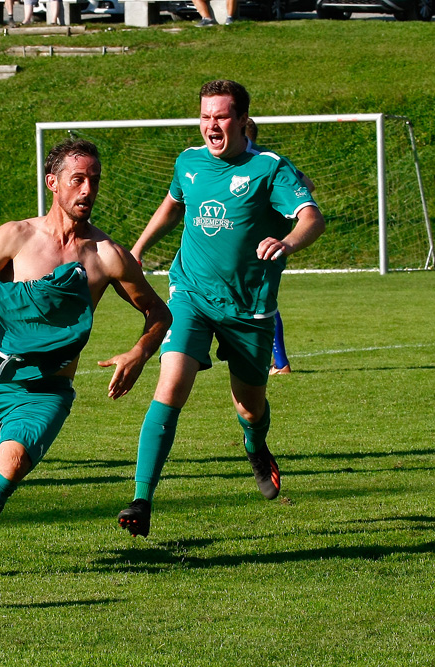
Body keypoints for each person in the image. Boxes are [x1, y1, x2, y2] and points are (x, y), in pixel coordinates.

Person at [0, 139, 171, 583]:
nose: (88, 190)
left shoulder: (107, 256)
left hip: (48, 391)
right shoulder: (17, 235)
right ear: (53, 183)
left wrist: (139, 352)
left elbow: (159, 313)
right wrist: (19, 302)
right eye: (78, 180)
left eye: (94, 181)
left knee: (9, 467)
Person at [117, 79, 326, 538]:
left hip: (248, 310)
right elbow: (173, 205)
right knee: (170, 387)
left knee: (250, 408)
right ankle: (141, 498)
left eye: (222, 116)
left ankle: (255, 446)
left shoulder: (270, 169)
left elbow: (312, 216)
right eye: (206, 115)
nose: (212, 124)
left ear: (242, 121)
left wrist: (288, 241)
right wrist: (137, 249)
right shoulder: (188, 161)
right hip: (190, 295)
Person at [244, 118, 316, 376]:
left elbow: (306, 187)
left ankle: (280, 363)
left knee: (261, 300)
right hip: (257, 241)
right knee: (257, 300)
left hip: (262, 242)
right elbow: (308, 183)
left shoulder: (266, 161)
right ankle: (275, 362)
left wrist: (275, 209)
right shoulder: (267, 159)